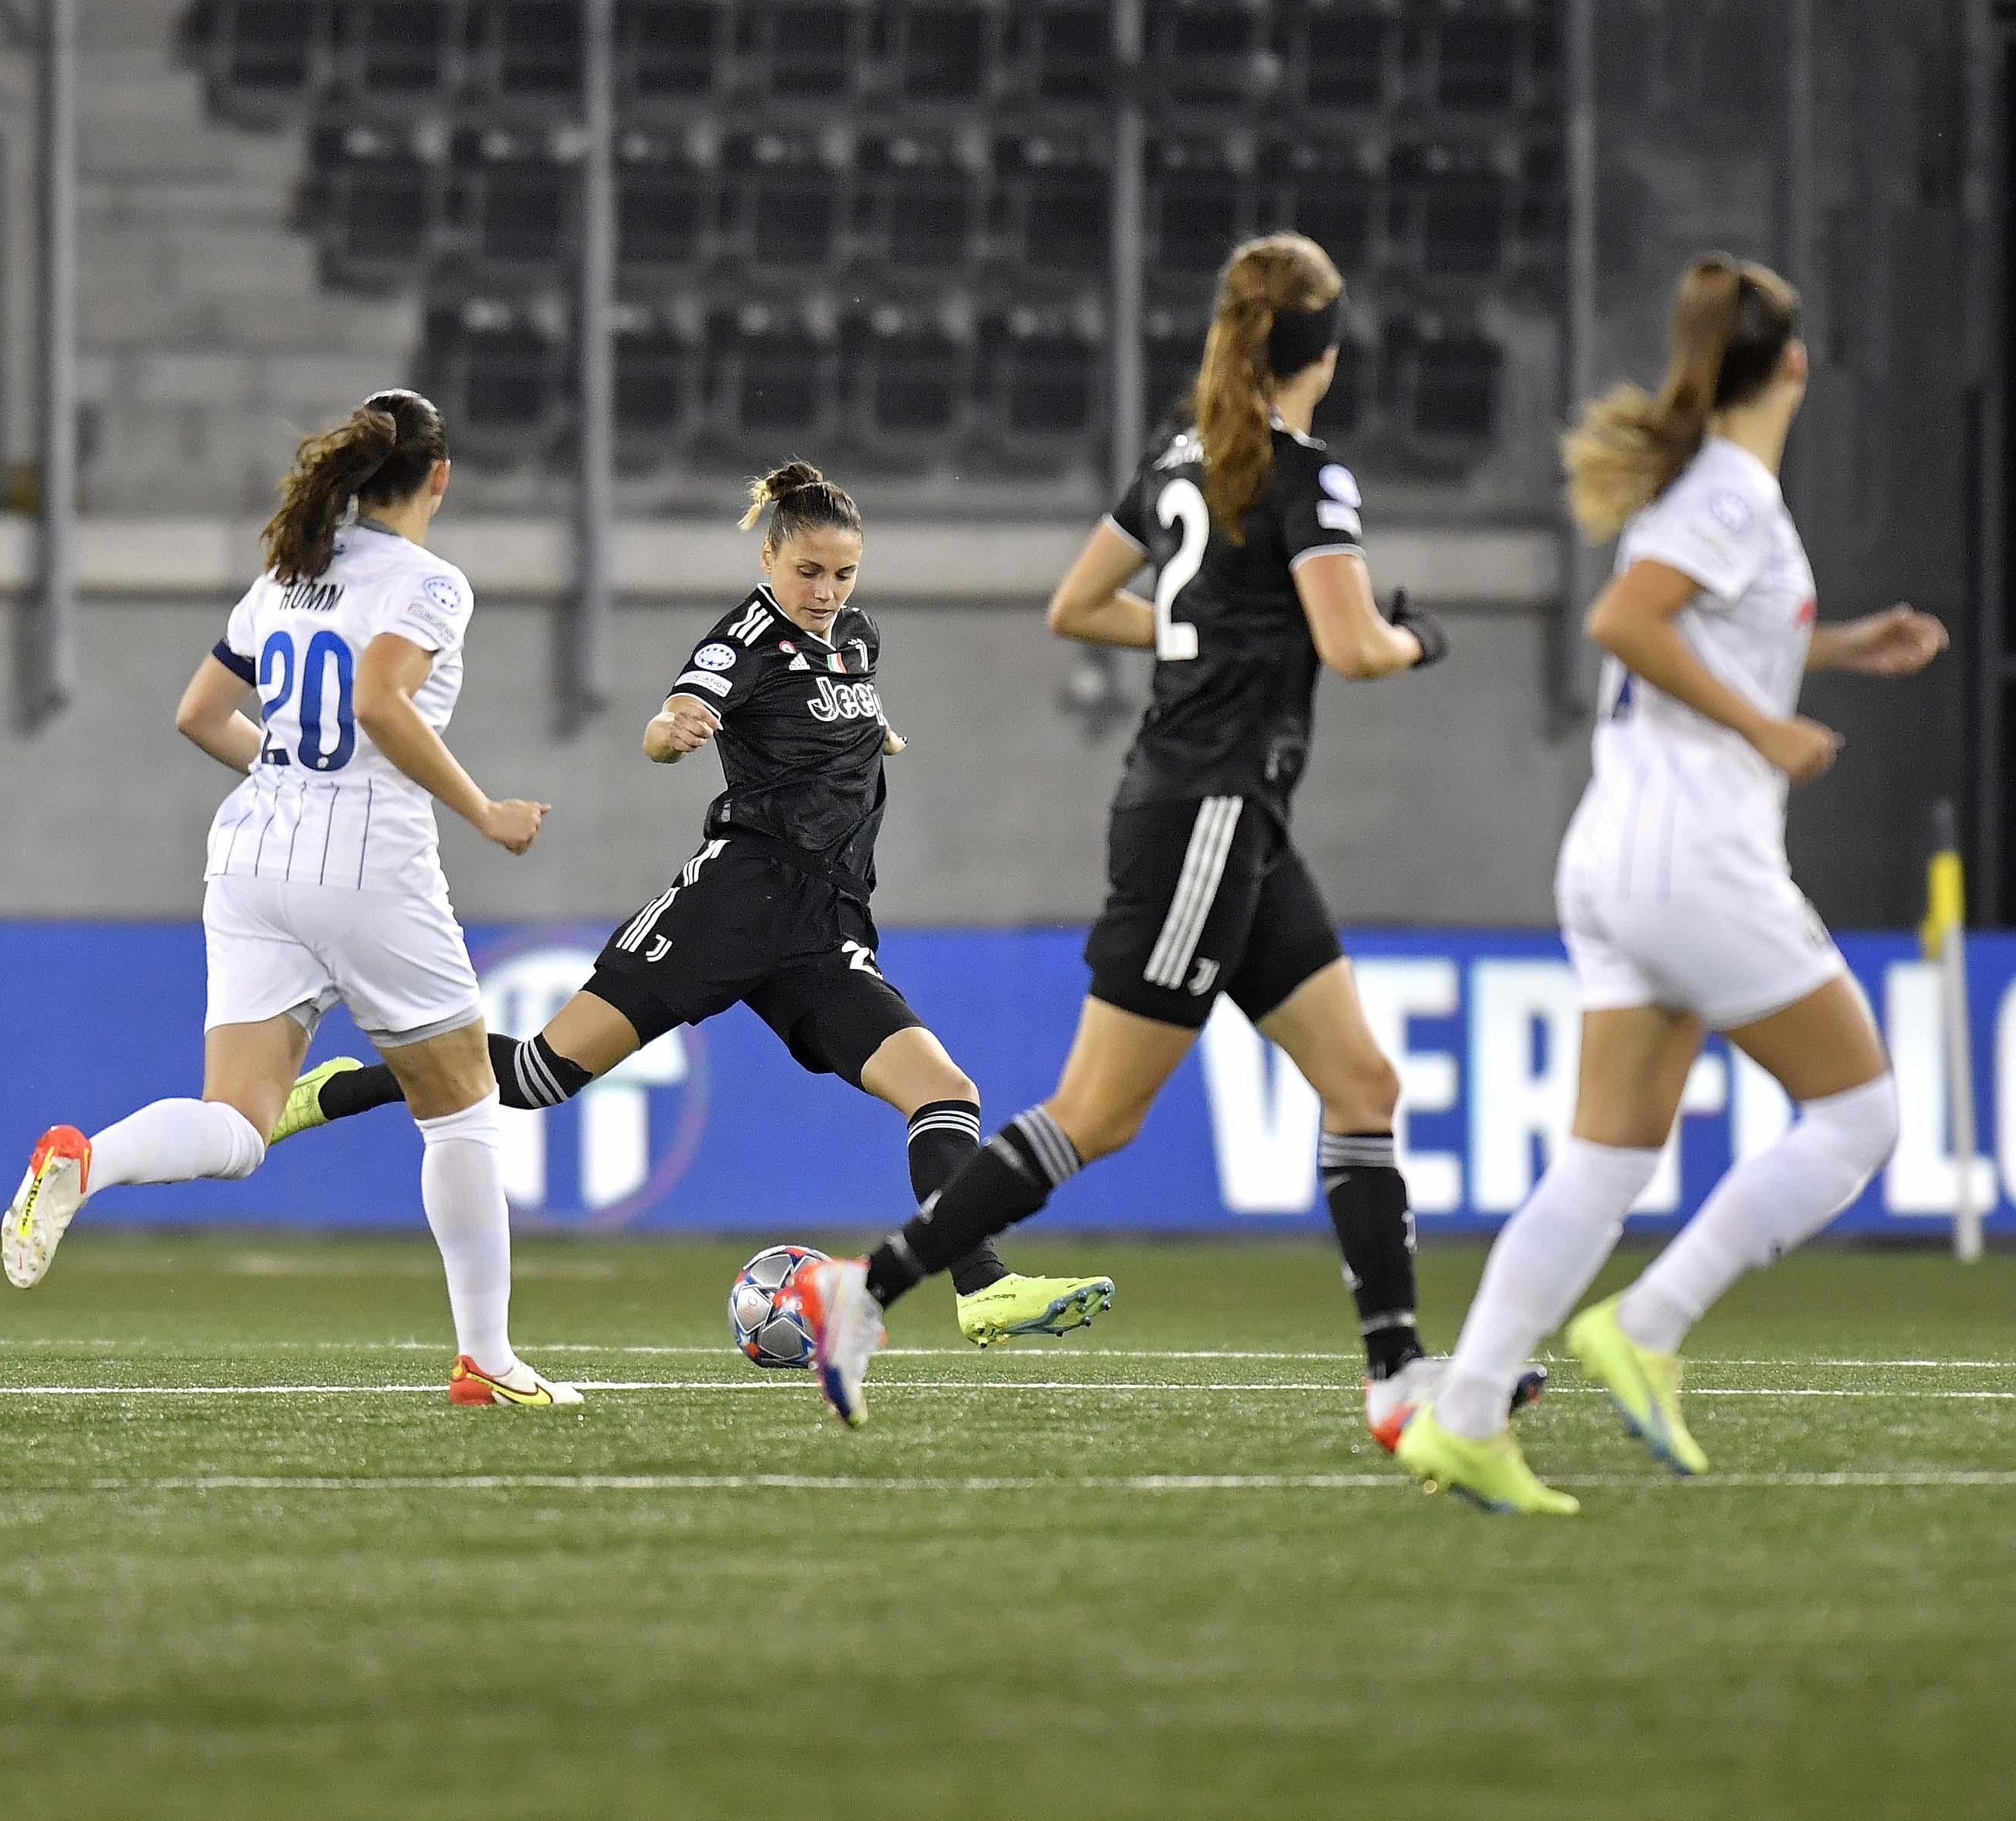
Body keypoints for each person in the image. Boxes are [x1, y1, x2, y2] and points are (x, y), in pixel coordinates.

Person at [795, 231, 1537, 1436]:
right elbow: (1355, 648)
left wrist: (1205, 632)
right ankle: (863, 1291)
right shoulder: (1305, 475)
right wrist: (1418, 636)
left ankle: (1400, 1379)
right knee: (1097, 1113)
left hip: (1234, 817)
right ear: (1328, 351)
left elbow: (1079, 605)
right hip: (1205, 811)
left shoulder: (1182, 461)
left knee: (1362, 1080)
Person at [267, 461, 1117, 1346]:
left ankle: (980, 1288)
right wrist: (669, 734)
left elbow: (840, 712)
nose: (826, 591)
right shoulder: (742, 639)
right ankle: (344, 1089)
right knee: (536, 1079)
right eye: (809, 572)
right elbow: (674, 715)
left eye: (843, 574)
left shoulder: (857, 639)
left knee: (946, 1093)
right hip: (730, 909)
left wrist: (874, 736)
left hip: (821, 931)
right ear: (770, 557)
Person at [1394, 257, 1946, 1514]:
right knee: (1856, 1118)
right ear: (1792, 367)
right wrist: (1763, 730)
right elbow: (1624, 622)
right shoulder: (1732, 493)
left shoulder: (1712, 491)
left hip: (1618, 854)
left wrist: (1842, 647)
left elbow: (1698, 629)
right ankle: (1642, 1326)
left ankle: (1467, 1416)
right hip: (1693, 856)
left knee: (1604, 1159)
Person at [0, 389, 584, 1409]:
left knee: (240, 1125)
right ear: (440, 479)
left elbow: (200, 714)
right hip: (367, 862)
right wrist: (484, 810)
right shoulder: (431, 585)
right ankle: (486, 1360)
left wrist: (284, 772)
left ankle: (86, 1162)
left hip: (253, 855)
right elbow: (377, 700)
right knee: (460, 1113)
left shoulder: (286, 573)